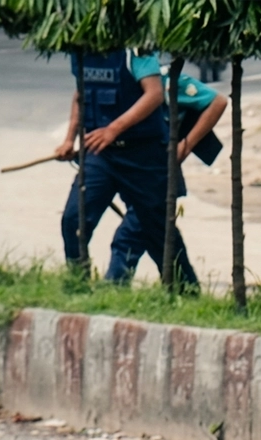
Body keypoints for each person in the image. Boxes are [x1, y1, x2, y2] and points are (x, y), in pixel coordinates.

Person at [55, 49, 199, 290]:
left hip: (143, 153)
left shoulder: (135, 50)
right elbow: (81, 93)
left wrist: (114, 129)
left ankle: (185, 290)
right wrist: (70, 139)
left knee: (157, 230)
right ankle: (78, 285)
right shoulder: (80, 48)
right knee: (74, 219)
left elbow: (154, 94)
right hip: (102, 154)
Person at [109, 67, 227, 286]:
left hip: (158, 176)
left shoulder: (168, 81)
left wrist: (186, 145)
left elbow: (217, 101)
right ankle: (186, 288)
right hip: (131, 172)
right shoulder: (116, 84)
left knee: (129, 237)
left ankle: (114, 286)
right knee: (161, 236)